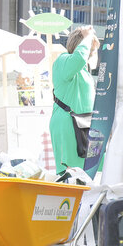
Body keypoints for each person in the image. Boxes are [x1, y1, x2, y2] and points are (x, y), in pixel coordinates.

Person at [50, 25, 100, 175]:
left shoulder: (83, 70)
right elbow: (79, 58)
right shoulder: (63, 60)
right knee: (73, 175)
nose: (92, 52)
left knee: (93, 173)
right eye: (90, 48)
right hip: (69, 125)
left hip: (86, 126)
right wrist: (87, 37)